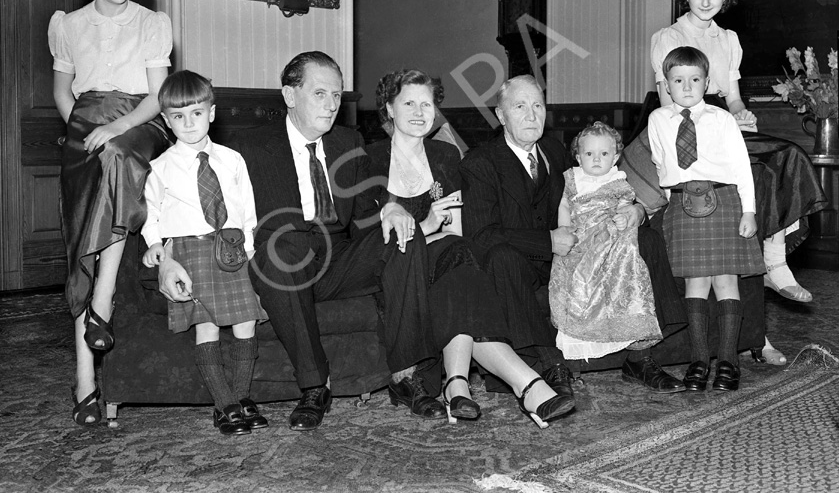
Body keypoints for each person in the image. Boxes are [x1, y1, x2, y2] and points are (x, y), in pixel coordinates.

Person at [156, 51, 441, 432]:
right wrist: (166, 254)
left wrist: (388, 209)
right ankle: (313, 385)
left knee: (405, 236)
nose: (332, 105)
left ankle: (406, 376)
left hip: (337, 256)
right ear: (290, 96)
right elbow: (190, 202)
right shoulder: (247, 147)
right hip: (283, 260)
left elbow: (360, 216)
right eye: (320, 94)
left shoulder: (347, 140)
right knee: (280, 249)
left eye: (337, 96)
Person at [366, 69, 573, 428]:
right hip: (397, 264)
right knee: (461, 264)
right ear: (389, 109)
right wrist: (424, 229)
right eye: (409, 103)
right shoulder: (368, 159)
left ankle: (459, 385)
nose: (419, 112)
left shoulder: (445, 155)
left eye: (426, 104)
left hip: (448, 257)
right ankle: (526, 386)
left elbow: (460, 230)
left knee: (461, 261)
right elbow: (367, 236)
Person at [649, 0, 828, 362]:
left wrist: (740, 113)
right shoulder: (668, 36)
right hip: (680, 124)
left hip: (720, 119)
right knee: (753, 175)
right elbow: (668, 101)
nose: (705, 0)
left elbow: (731, 96)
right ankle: (755, 331)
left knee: (788, 156)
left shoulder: (729, 39)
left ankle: (775, 264)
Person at [460, 75, 686, 396]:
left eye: (538, 106)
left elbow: (597, 187)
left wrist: (635, 210)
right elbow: (482, 236)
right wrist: (549, 241)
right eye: (520, 106)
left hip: (575, 255)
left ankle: (640, 357)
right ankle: (551, 365)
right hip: (521, 262)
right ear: (501, 115)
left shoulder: (555, 150)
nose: (531, 115)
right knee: (501, 257)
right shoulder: (480, 163)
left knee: (645, 238)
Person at [50, 0, 172, 426]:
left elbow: (158, 97)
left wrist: (115, 127)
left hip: (139, 123)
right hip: (84, 128)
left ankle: (102, 300)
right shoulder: (66, 25)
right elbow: (62, 91)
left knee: (119, 155)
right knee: (83, 238)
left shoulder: (152, 23)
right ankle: (85, 382)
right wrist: (82, 132)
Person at [141, 70, 268, 435]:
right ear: (166, 120)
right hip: (189, 250)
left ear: (211, 112)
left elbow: (247, 208)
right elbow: (152, 213)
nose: (188, 123)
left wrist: (249, 247)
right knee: (207, 327)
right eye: (178, 116)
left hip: (230, 248)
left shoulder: (232, 159)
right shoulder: (160, 167)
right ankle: (224, 405)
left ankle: (241, 399)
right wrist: (155, 247)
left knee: (246, 322)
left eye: (196, 112)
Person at [649, 46, 765, 392]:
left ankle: (728, 360)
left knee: (726, 282)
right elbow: (660, 165)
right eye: (678, 80)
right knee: (695, 285)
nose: (686, 86)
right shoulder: (658, 120)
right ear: (666, 85)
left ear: (708, 82)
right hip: (684, 203)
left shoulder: (722, 118)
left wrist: (749, 210)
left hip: (724, 199)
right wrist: (672, 206)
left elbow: (742, 166)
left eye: (695, 79)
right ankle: (699, 359)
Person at [550, 121, 662, 361]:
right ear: (579, 157)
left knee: (625, 250)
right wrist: (564, 227)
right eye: (589, 153)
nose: (596, 159)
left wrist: (625, 216)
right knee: (572, 267)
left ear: (615, 157)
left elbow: (625, 206)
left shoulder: (618, 181)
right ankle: (580, 330)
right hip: (580, 233)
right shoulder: (572, 178)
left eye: (603, 154)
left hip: (609, 234)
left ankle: (621, 322)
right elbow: (564, 204)